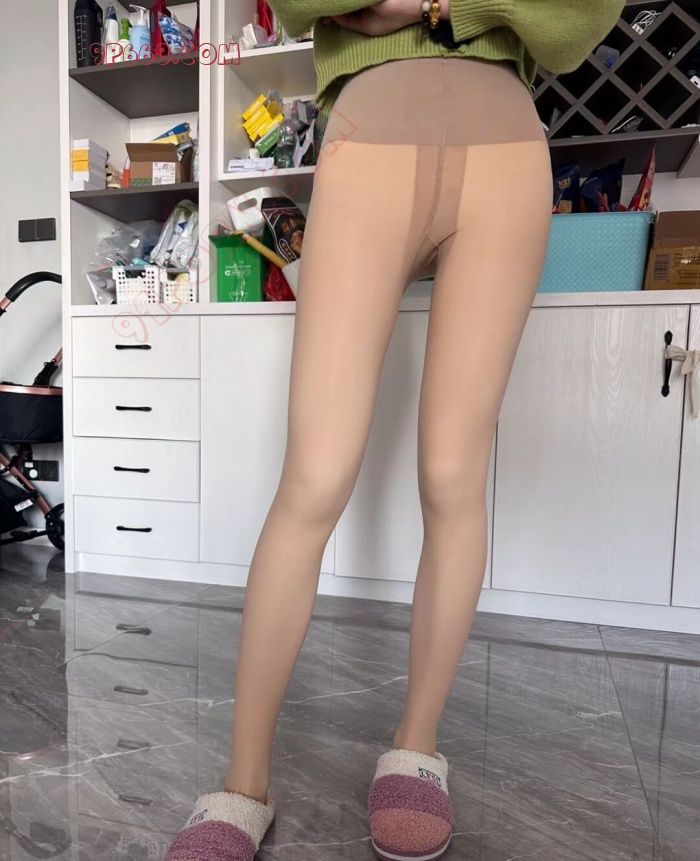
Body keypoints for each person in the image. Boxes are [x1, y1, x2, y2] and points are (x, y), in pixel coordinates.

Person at [164, 2, 625, 859]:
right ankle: (243, 781)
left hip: (508, 154)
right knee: (316, 475)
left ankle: (416, 747)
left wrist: (437, 6)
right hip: (369, 135)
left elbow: (574, 24)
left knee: (453, 471)